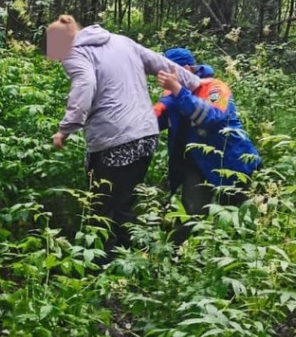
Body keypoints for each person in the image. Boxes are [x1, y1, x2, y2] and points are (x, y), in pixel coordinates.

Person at [49, 16, 199, 255]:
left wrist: (66, 128)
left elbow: (85, 84)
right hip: (146, 135)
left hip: (115, 140)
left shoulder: (74, 53)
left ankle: (105, 267)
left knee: (102, 208)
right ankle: (130, 262)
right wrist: (195, 83)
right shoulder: (122, 41)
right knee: (122, 201)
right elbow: (161, 63)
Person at [154, 48, 260, 226]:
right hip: (195, 163)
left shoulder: (215, 88)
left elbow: (211, 117)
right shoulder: (171, 94)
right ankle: (184, 251)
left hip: (231, 161)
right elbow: (156, 116)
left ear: (186, 69)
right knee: (192, 216)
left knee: (240, 218)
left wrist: (178, 90)